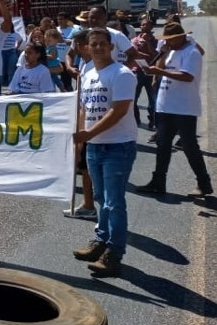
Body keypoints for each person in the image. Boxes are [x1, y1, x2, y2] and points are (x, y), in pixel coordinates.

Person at [72, 27, 138, 277]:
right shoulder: (88, 74)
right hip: (94, 146)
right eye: (94, 44)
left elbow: (118, 110)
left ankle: (114, 253)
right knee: (101, 198)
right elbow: (83, 109)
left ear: (112, 47)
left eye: (103, 43)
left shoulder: (121, 74)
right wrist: (81, 139)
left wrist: (88, 134)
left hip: (117, 146)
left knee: (114, 201)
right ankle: (101, 240)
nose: (98, 47)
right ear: (87, 48)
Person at [135, 23, 213, 197]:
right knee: (163, 146)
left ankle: (204, 183)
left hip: (184, 107)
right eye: (166, 40)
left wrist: (161, 72)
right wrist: (161, 58)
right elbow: (161, 67)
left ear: (181, 36)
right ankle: (158, 181)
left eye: (170, 39)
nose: (168, 42)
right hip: (166, 106)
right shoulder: (171, 51)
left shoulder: (191, 52)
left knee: (189, 146)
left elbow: (187, 76)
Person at [63, 30, 97, 221]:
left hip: (90, 121)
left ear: (84, 46)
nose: (73, 48)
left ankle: (91, 205)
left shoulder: (93, 66)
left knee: (87, 166)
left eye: (75, 44)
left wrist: (82, 129)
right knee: (84, 166)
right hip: (83, 115)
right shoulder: (84, 63)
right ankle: (88, 204)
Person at [129, 17, 158, 129]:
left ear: (151, 27)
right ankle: (136, 121)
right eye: (142, 25)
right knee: (133, 98)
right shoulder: (134, 40)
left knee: (153, 99)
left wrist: (148, 43)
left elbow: (155, 55)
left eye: (147, 25)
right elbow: (133, 54)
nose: (144, 27)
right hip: (137, 72)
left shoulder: (156, 41)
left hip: (151, 72)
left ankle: (153, 121)